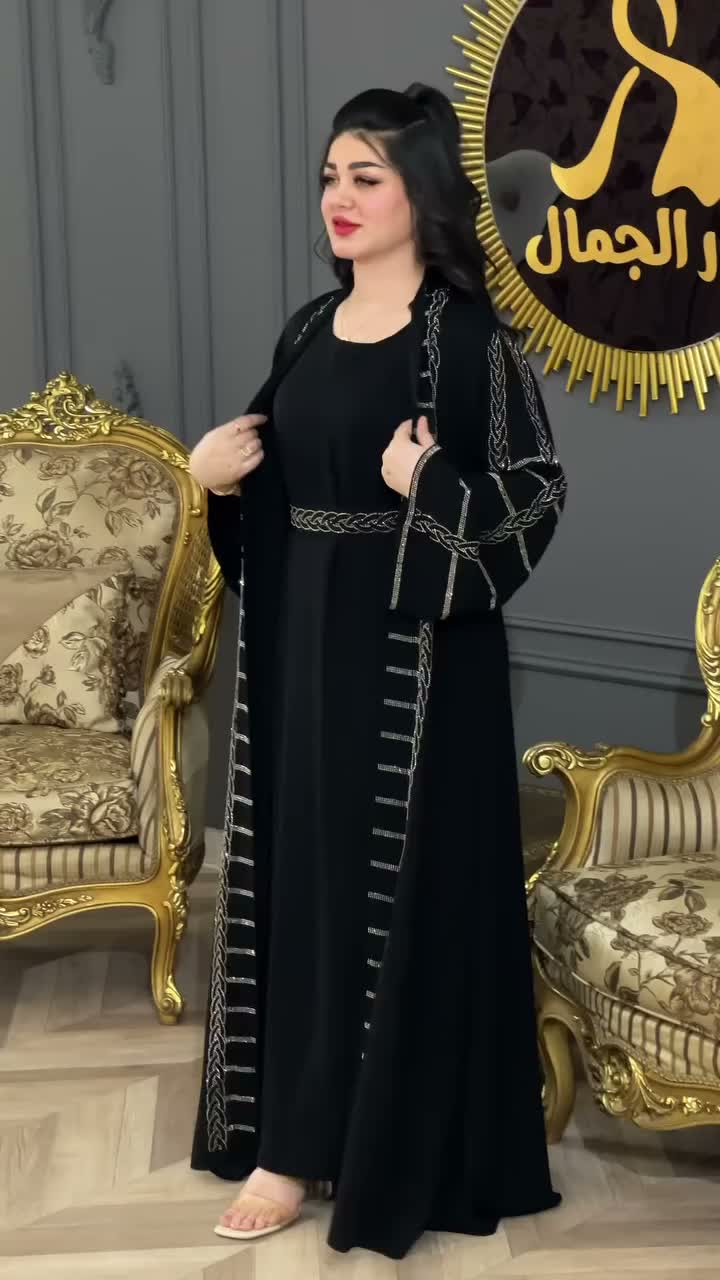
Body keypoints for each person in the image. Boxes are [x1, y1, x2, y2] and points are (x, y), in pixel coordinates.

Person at [188, 82, 565, 1261]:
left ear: (422, 194)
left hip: (418, 661)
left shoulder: (473, 342)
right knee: (301, 874)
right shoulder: (308, 328)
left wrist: (430, 486)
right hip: (300, 642)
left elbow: (535, 497)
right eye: (329, 177)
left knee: (391, 885)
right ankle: (291, 1131)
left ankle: (364, 1140)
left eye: (367, 177)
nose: (338, 198)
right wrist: (213, 480)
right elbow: (276, 480)